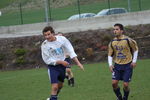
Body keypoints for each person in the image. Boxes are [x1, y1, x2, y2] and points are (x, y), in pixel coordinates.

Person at [41, 26, 84, 100]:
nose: (47, 37)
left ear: (53, 33)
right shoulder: (44, 45)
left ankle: (52, 98)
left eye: (49, 34)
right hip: (53, 67)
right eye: (45, 35)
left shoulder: (62, 39)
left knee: (60, 86)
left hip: (62, 66)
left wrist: (78, 63)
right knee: (55, 87)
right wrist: (60, 61)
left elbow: (70, 50)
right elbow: (47, 60)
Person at [108, 23, 138, 100]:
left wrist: (134, 61)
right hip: (117, 65)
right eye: (114, 29)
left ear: (122, 31)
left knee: (125, 85)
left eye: (117, 29)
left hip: (128, 65)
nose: (115, 31)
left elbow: (135, 49)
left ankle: (125, 98)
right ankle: (119, 97)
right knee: (114, 83)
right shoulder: (112, 42)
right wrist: (110, 65)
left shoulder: (127, 40)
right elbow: (110, 54)